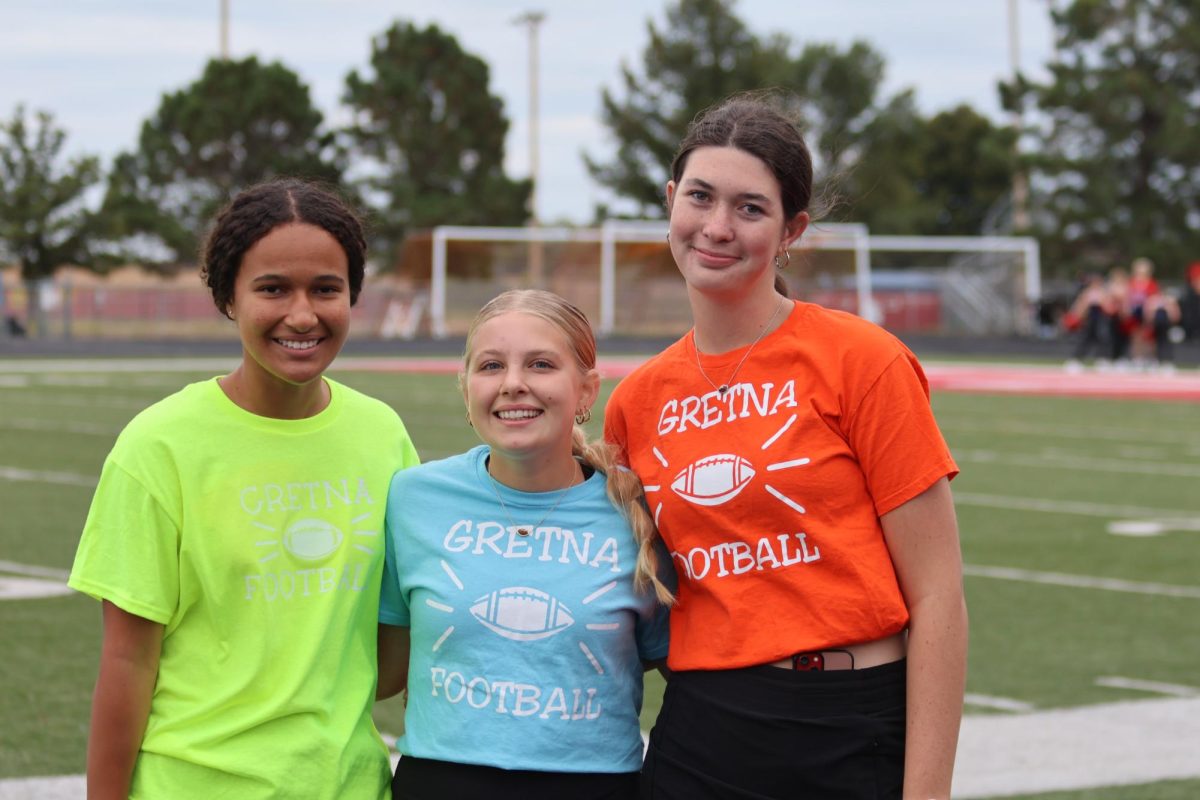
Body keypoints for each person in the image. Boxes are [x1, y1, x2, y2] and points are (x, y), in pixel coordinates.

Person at [603, 93, 968, 800]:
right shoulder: (635, 402)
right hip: (700, 733)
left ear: (791, 229)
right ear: (671, 200)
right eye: (701, 197)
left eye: (750, 208)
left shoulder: (863, 360)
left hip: (847, 723)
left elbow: (938, 595)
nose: (716, 227)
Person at [68, 178, 420, 799]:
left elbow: (397, 645)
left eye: (326, 289)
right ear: (228, 296)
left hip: (350, 786)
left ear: (353, 296)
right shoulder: (159, 446)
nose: (302, 314)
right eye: (273, 289)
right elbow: (127, 664)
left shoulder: (381, 435)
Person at [376, 289, 672, 800]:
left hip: (595, 783)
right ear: (466, 388)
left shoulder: (637, 508)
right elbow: (389, 661)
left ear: (586, 391)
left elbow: (663, 658)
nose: (513, 384)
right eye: (491, 366)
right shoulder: (414, 496)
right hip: (442, 780)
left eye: (540, 364)